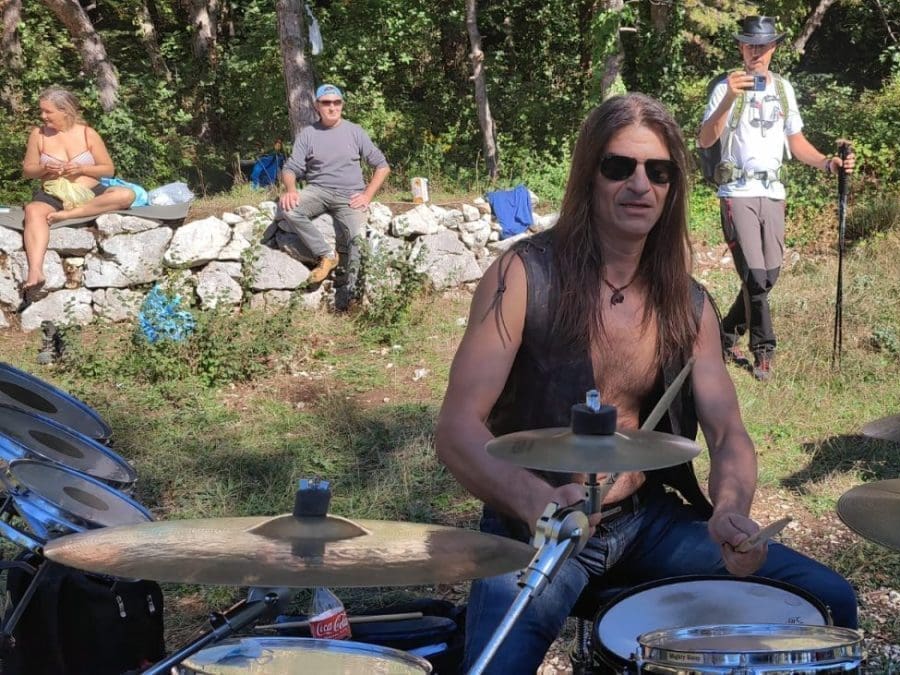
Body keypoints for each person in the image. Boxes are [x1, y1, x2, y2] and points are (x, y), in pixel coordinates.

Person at [436, 93, 857, 674]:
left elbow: (728, 431)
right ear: (589, 174)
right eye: (620, 166)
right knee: (493, 668)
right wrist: (539, 505)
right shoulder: (523, 275)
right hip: (535, 530)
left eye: (659, 172)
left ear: (673, 187)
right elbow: (457, 429)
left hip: (645, 523)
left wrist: (730, 511)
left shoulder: (686, 303)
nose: (640, 184)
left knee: (827, 601)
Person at [698, 16, 856, 381]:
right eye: (749, 45)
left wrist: (827, 163)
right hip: (737, 191)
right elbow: (705, 139)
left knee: (768, 276)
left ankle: (723, 335)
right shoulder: (725, 87)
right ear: (741, 47)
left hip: (772, 192)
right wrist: (729, 99)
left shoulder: (783, 89)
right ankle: (764, 351)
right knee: (754, 276)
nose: (756, 52)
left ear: (773, 48)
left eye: (763, 46)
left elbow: (795, 142)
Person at [20, 87, 135, 303]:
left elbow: (108, 169)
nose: (43, 116)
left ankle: (69, 215)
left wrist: (82, 169)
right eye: (41, 111)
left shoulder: (87, 133)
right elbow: (28, 170)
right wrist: (45, 168)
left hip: (90, 192)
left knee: (125, 195)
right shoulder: (38, 135)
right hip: (54, 193)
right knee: (33, 210)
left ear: (65, 111)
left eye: (48, 111)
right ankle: (35, 270)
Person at [278, 83, 390, 301]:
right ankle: (327, 255)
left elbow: (382, 166)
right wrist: (290, 190)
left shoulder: (355, 131)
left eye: (336, 102)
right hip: (318, 190)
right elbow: (291, 168)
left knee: (357, 239)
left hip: (350, 195)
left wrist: (367, 195)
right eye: (326, 103)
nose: (332, 107)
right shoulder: (308, 134)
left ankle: (352, 296)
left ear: (342, 105)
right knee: (289, 209)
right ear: (317, 106)